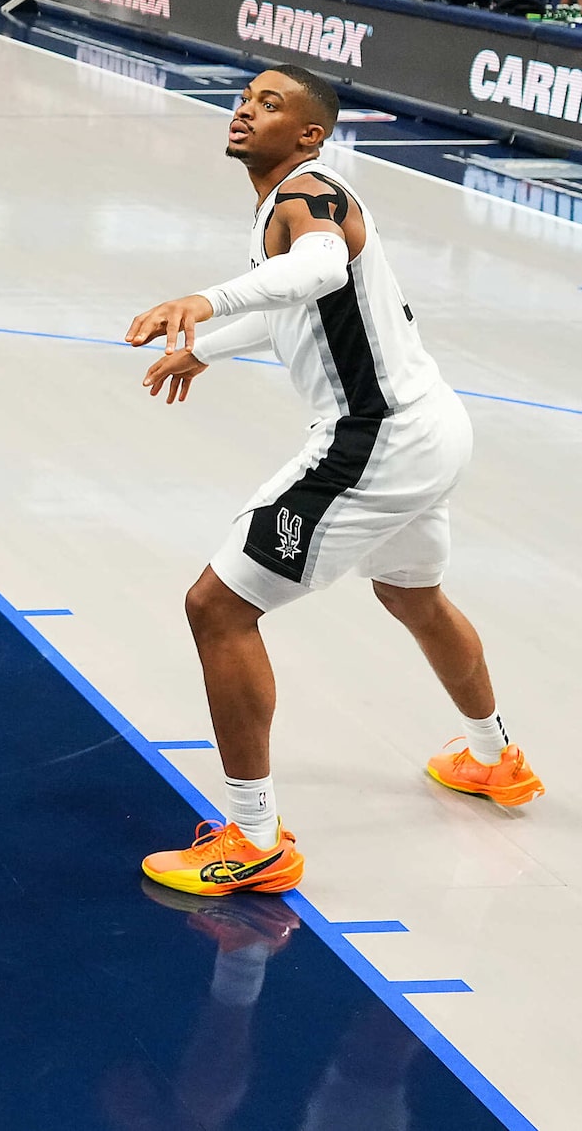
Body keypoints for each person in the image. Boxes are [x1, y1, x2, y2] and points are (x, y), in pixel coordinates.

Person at [124, 66, 542, 897]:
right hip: (431, 428)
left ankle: (253, 843)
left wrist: (202, 304)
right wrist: (203, 350)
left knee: (217, 607)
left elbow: (313, 272)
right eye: (246, 95)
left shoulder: (309, 199)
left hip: (373, 441)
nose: (247, 107)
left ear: (310, 134)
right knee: (412, 598)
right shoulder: (282, 199)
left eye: (271, 103)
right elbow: (299, 308)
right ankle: (494, 760)